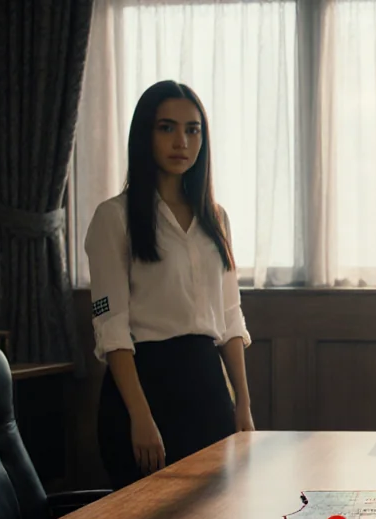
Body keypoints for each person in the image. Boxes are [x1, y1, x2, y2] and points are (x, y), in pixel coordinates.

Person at [85, 80, 253, 489]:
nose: (182, 141)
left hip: (207, 386)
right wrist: (141, 419)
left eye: (193, 130)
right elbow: (112, 328)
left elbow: (230, 318)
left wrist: (243, 406)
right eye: (167, 128)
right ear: (146, 135)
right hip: (145, 386)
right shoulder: (114, 218)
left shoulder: (216, 219)